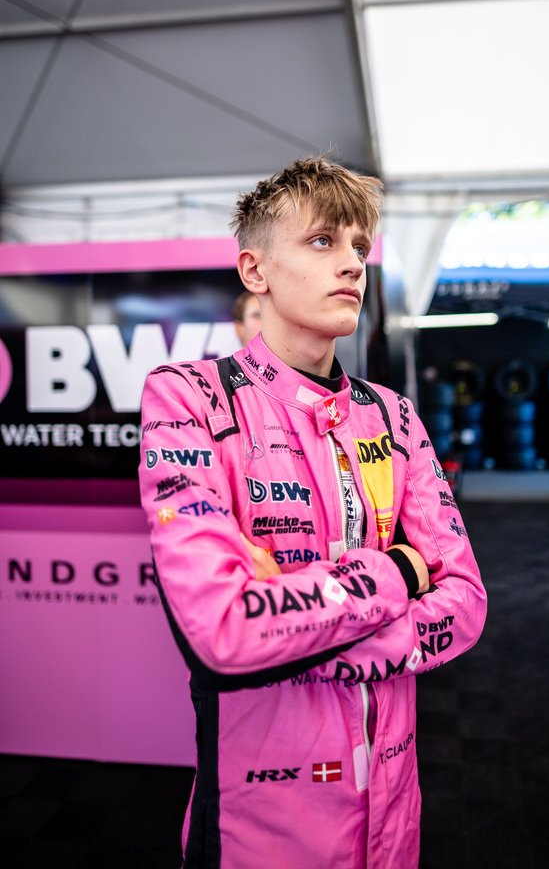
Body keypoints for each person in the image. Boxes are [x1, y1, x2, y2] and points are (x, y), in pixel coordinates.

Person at [138, 156, 487, 869]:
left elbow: (466, 602)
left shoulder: (392, 415)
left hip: (393, 821)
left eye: (359, 245)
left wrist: (299, 638)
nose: (353, 264)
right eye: (323, 241)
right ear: (255, 270)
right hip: (261, 830)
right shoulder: (188, 398)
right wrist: (398, 572)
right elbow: (225, 632)